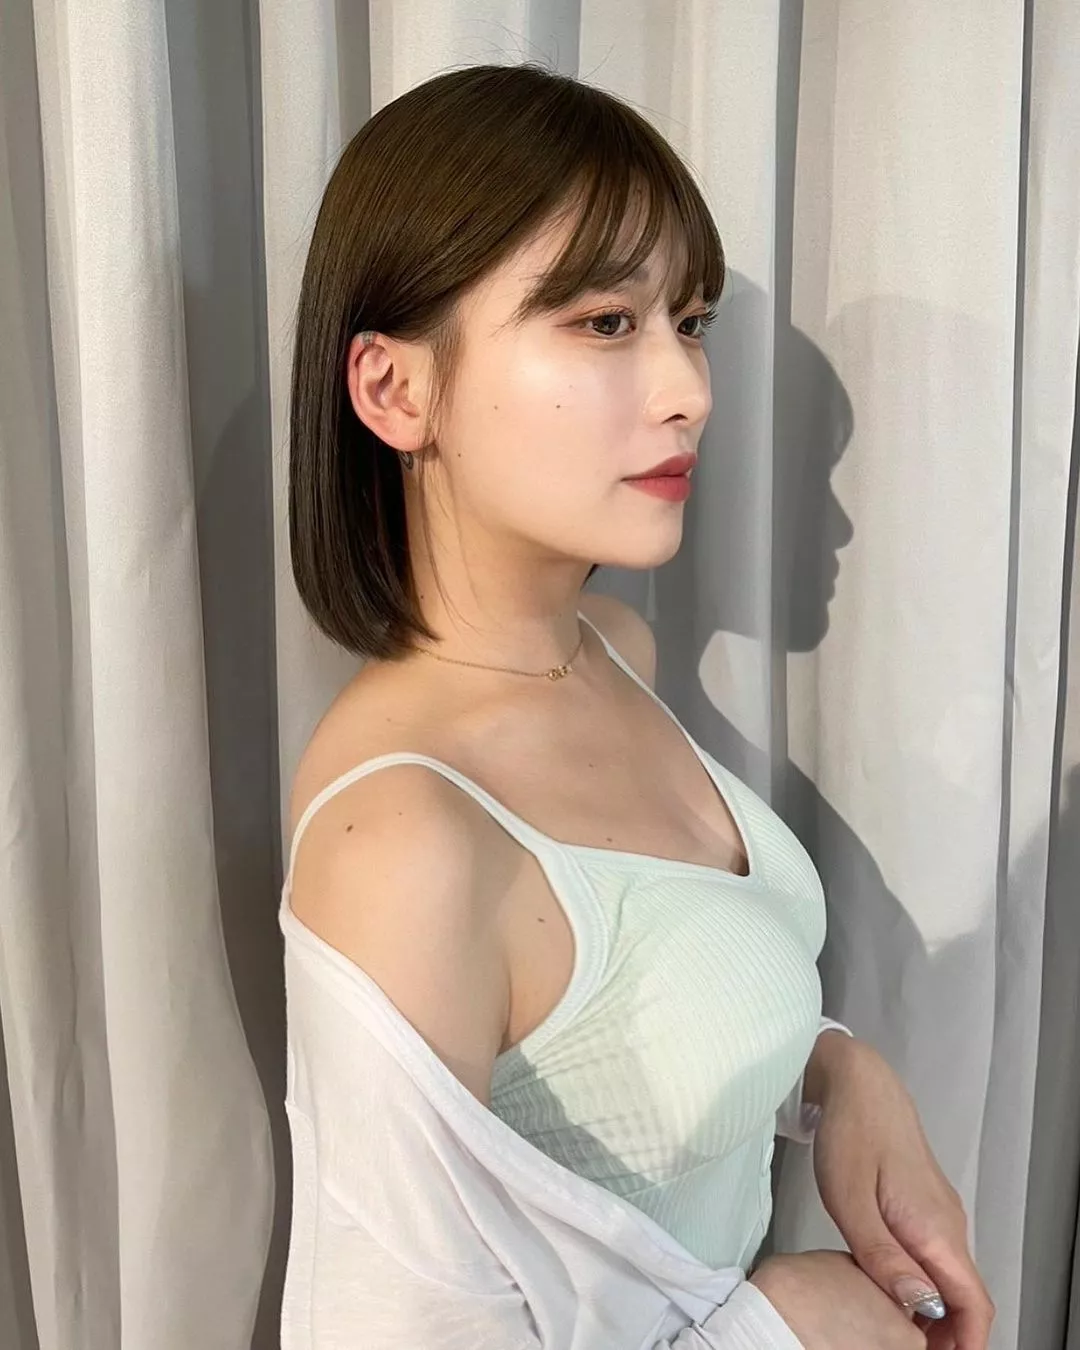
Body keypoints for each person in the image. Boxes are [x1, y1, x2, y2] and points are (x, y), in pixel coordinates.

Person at [280, 60, 993, 1349]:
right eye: (606, 322)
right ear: (396, 390)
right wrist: (796, 1321)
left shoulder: (610, 651)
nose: (692, 393)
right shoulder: (402, 845)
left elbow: (640, 1022)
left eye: (689, 320)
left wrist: (841, 1075)